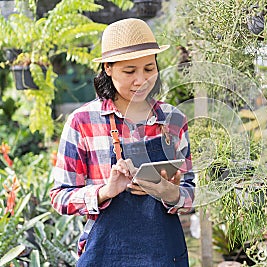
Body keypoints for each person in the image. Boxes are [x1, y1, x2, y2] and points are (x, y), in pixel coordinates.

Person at [50, 18, 195, 266]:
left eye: (149, 69)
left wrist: (167, 191)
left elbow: (191, 191)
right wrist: (107, 191)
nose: (141, 80)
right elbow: (59, 197)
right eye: (129, 71)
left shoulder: (173, 119)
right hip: (104, 255)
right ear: (108, 68)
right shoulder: (82, 121)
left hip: (164, 254)